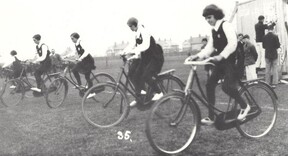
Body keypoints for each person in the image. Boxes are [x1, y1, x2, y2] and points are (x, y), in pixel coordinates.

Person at [188, 4, 250, 125]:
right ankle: (211, 117)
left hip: (233, 62)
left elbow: (233, 43)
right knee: (209, 85)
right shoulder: (213, 30)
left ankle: (245, 106)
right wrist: (198, 56)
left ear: (216, 15)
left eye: (209, 17)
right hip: (221, 63)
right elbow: (209, 48)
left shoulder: (226, 25)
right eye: (206, 18)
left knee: (226, 87)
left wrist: (221, 55)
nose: (208, 20)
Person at [123, 17, 164, 108]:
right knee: (135, 74)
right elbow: (132, 45)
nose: (130, 29)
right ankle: (142, 94)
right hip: (146, 58)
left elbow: (145, 46)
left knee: (146, 76)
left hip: (155, 57)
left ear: (134, 25)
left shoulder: (144, 31)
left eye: (130, 27)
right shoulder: (137, 33)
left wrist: (132, 52)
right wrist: (124, 51)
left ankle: (159, 92)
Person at [67, 32, 96, 98]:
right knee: (74, 70)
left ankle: (92, 92)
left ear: (76, 38)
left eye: (72, 38)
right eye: (71, 39)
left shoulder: (81, 42)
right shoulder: (76, 44)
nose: (72, 40)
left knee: (87, 77)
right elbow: (74, 53)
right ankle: (79, 84)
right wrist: (66, 56)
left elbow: (87, 51)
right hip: (83, 61)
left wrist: (80, 58)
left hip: (89, 61)